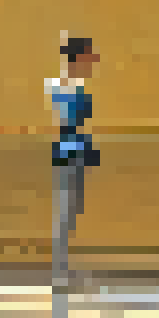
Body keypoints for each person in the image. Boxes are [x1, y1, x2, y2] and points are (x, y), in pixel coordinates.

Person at [47, 34, 101, 292]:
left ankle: (63, 267)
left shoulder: (73, 85)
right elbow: (66, 127)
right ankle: (60, 270)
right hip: (69, 154)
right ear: (78, 57)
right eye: (89, 55)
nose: (93, 60)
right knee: (66, 211)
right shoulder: (63, 87)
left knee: (70, 210)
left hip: (74, 152)